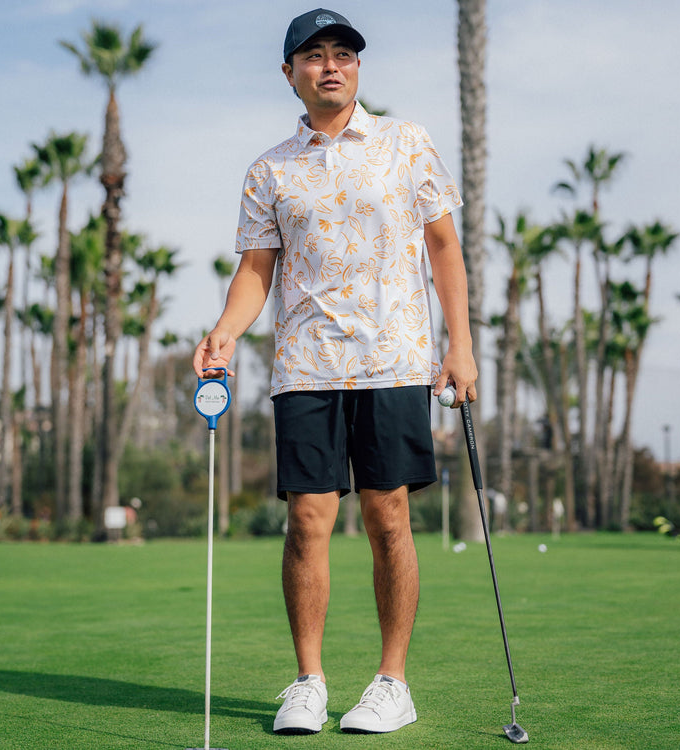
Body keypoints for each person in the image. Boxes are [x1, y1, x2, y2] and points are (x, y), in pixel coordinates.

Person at [193, 7, 478, 735]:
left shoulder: (406, 143)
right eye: (314, 54)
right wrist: (224, 332)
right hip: (306, 365)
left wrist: (461, 345)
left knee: (389, 514)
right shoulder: (270, 170)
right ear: (289, 72)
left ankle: (392, 683)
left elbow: (444, 247)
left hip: (394, 358)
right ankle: (309, 683)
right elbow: (256, 270)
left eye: (343, 54)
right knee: (307, 521)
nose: (330, 65)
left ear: (357, 67)